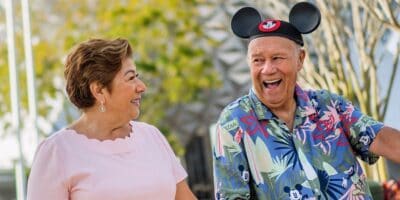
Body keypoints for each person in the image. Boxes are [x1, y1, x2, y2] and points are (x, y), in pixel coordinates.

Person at [212, 2, 400, 200]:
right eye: (258, 60)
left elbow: (379, 138)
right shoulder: (234, 122)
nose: (267, 69)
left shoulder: (328, 105)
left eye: (277, 58)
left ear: (300, 59)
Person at [27, 38, 197, 200]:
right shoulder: (57, 152)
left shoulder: (152, 136)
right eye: (131, 77)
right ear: (99, 90)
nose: (142, 86)